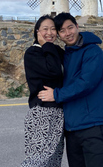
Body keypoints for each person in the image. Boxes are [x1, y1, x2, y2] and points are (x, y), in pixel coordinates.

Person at [38, 12, 103, 167]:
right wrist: (45, 45)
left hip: (93, 126)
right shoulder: (66, 55)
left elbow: (86, 83)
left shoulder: (93, 52)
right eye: (62, 31)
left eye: (70, 27)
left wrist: (56, 95)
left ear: (77, 27)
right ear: (58, 35)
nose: (67, 33)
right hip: (71, 129)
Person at [21, 15, 65, 167]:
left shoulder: (57, 51)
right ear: (37, 31)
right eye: (45, 29)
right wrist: (46, 45)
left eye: (53, 29)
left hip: (59, 113)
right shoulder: (33, 53)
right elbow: (54, 71)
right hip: (42, 113)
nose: (50, 33)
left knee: (53, 161)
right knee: (36, 161)